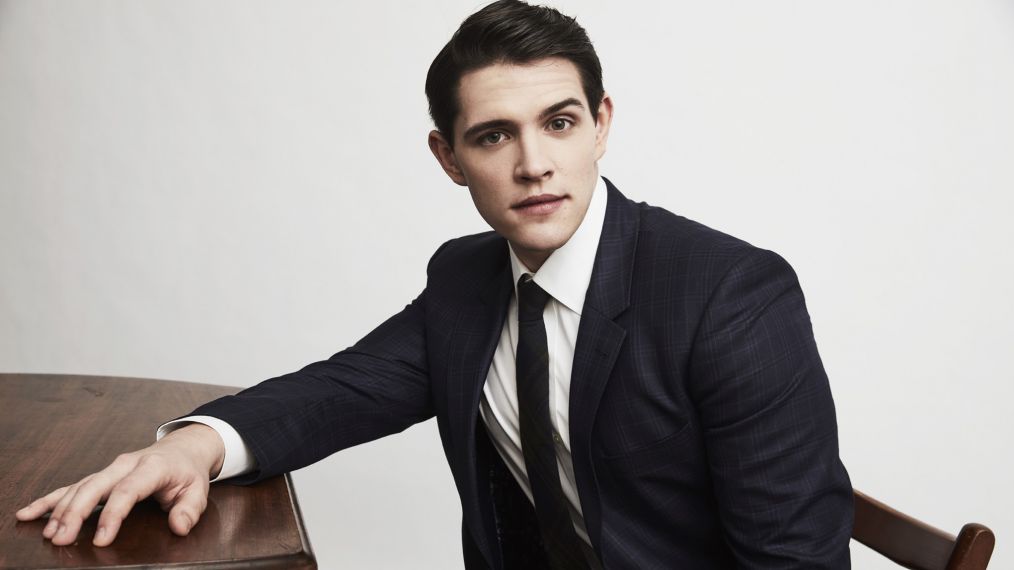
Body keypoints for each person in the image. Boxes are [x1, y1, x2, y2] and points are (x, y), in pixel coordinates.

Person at [16, 1, 853, 568]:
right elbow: (340, 392)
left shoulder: (730, 296)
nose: (534, 164)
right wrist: (191, 446)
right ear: (448, 158)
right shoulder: (466, 280)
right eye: (494, 136)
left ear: (600, 125)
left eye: (559, 123)